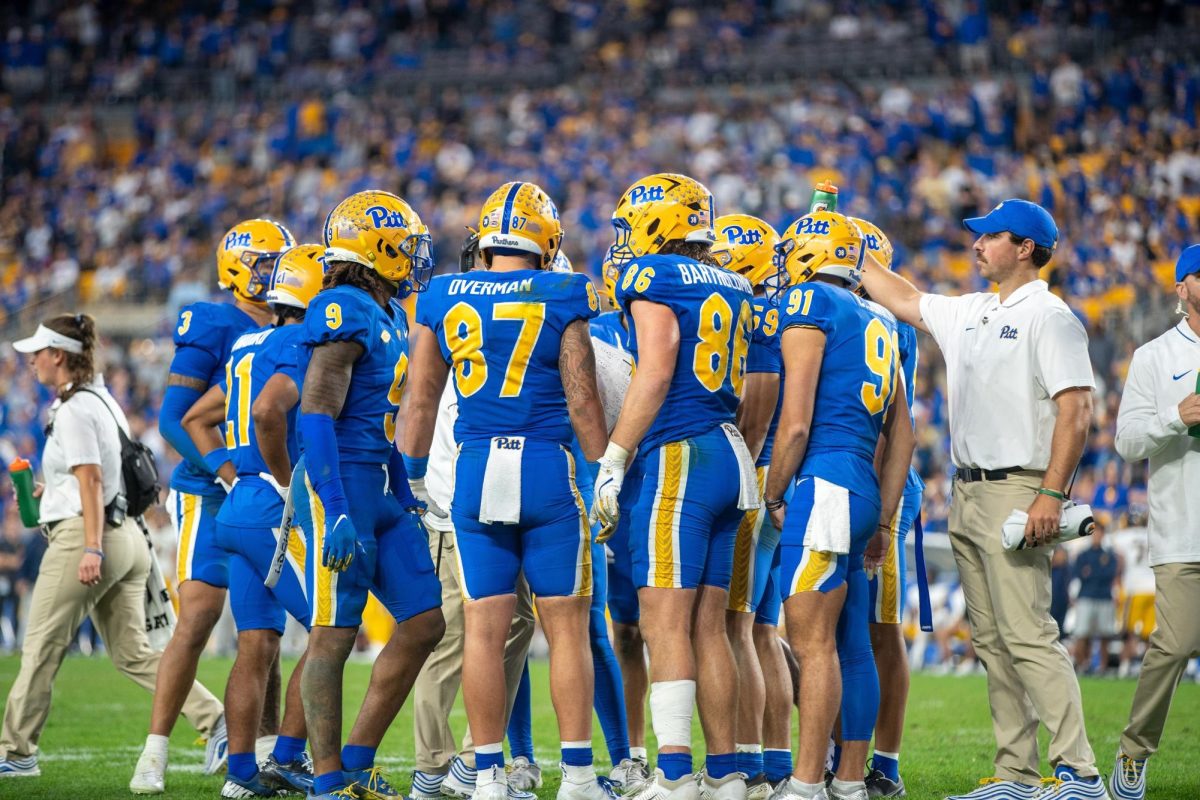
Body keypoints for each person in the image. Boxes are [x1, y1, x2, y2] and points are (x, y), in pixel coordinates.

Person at [858, 199, 1106, 799]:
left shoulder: (1051, 316)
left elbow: (1078, 409)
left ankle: (1080, 772)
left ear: (1025, 248)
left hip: (1021, 486)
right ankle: (1016, 774)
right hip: (969, 489)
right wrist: (850, 251)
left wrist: (1052, 492)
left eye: (990, 236)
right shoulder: (971, 309)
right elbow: (906, 299)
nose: (976, 245)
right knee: (993, 641)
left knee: (1027, 634)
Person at [405, 181, 610, 800]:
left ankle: (488, 774)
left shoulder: (442, 294)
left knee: (483, 631)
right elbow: (581, 400)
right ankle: (576, 777)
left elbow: (419, 401)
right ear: (546, 241)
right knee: (568, 630)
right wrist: (606, 474)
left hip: (473, 471)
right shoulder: (564, 290)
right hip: (546, 468)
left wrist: (413, 477)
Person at [592, 172, 757, 800]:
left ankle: (676, 775)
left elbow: (657, 370)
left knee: (664, 625)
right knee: (708, 628)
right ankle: (727, 773)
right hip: (728, 451)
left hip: (678, 456)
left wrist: (614, 456)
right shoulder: (735, 282)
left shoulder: (650, 275)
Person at [0, 314, 222, 778]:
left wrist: (92, 547)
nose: (33, 362)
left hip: (89, 537)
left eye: (38, 354)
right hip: (126, 535)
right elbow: (99, 475)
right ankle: (217, 721)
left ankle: (16, 752)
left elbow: (93, 477)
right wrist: (55, 491)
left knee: (40, 645)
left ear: (58, 356)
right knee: (134, 653)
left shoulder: (74, 408)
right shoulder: (101, 400)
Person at [289, 190, 446, 800]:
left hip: (378, 488)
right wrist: (333, 507)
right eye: (405, 246)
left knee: (425, 621)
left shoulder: (385, 314)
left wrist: (402, 491)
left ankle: (355, 759)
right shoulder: (341, 308)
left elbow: (379, 416)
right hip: (340, 488)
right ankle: (326, 780)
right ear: (374, 248)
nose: (413, 257)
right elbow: (317, 414)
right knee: (333, 632)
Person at [132, 218, 295, 793]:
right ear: (234, 266)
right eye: (263, 261)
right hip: (208, 490)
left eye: (280, 261)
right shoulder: (212, 320)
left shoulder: (287, 321)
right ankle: (153, 752)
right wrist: (226, 473)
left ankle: (265, 746)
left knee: (263, 630)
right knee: (198, 617)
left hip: (261, 489)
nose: (273, 271)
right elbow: (175, 419)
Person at [763, 210, 914, 800]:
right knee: (852, 645)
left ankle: (805, 783)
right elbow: (902, 436)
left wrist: (774, 492)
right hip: (862, 487)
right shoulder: (879, 317)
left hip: (823, 481)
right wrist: (881, 516)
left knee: (812, 642)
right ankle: (850, 781)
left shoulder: (812, 306)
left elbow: (795, 425)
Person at [180, 244, 327, 796]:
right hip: (271, 504)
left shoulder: (247, 343)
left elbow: (197, 418)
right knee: (331, 629)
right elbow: (268, 411)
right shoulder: (297, 341)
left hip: (239, 501)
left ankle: (240, 774)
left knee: (256, 644)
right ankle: (288, 756)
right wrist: (286, 478)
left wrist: (228, 470)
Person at [409, 237, 538, 800]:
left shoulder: (459, 326)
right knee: (476, 632)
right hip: (463, 502)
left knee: (481, 633)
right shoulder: (466, 332)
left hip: (468, 499)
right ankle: (450, 766)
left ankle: (448, 766)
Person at [1110, 244, 1200, 800]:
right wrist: (1176, 416)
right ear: (1182, 287)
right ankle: (1134, 752)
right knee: (1174, 644)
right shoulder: (1154, 355)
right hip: (1183, 526)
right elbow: (1125, 441)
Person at [710, 213, 786, 800]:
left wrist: (743, 475)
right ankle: (772, 762)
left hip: (756, 478)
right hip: (775, 482)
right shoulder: (785, 310)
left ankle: (746, 765)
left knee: (735, 628)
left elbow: (755, 417)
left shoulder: (757, 316)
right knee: (760, 630)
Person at [854, 216, 925, 799]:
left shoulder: (883, 320)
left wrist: (882, 505)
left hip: (882, 482)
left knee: (879, 627)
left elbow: (885, 424)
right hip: (860, 478)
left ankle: (887, 762)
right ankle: (842, 753)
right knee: (839, 627)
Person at [592, 257, 653, 789]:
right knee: (622, 630)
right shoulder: (594, 330)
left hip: (661, 481)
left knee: (678, 626)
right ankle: (632, 750)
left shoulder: (673, 316)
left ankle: (725, 756)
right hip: (613, 486)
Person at [1070, 525, 1121, 673]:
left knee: (1105, 633)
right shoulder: (1083, 554)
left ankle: (1102, 667)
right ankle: (1082, 665)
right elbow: (1079, 573)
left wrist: (1092, 573)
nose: (1097, 536)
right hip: (1086, 596)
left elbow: (1109, 573)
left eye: (1100, 533)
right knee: (1082, 633)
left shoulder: (1109, 555)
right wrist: (1096, 573)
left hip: (1104, 596)